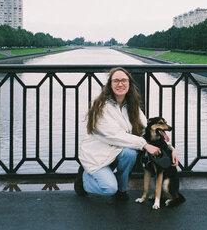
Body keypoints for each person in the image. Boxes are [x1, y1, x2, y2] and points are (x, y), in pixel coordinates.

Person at [74, 67, 178, 200]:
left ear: (129, 84)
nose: (120, 84)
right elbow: (113, 135)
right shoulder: (101, 107)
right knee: (108, 188)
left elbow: (146, 130)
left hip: (116, 152)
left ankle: (121, 191)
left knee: (130, 153)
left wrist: (169, 147)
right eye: (116, 81)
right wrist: (144, 145)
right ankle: (83, 182)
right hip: (97, 156)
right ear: (110, 85)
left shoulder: (132, 106)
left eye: (124, 80)